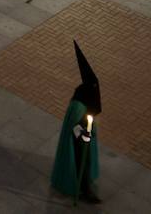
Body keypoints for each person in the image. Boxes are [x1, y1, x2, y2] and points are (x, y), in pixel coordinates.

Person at [51, 41, 102, 204]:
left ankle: (85, 187)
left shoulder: (85, 97)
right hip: (78, 144)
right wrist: (83, 133)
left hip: (84, 140)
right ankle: (84, 190)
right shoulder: (79, 105)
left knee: (85, 163)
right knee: (81, 164)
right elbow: (73, 128)